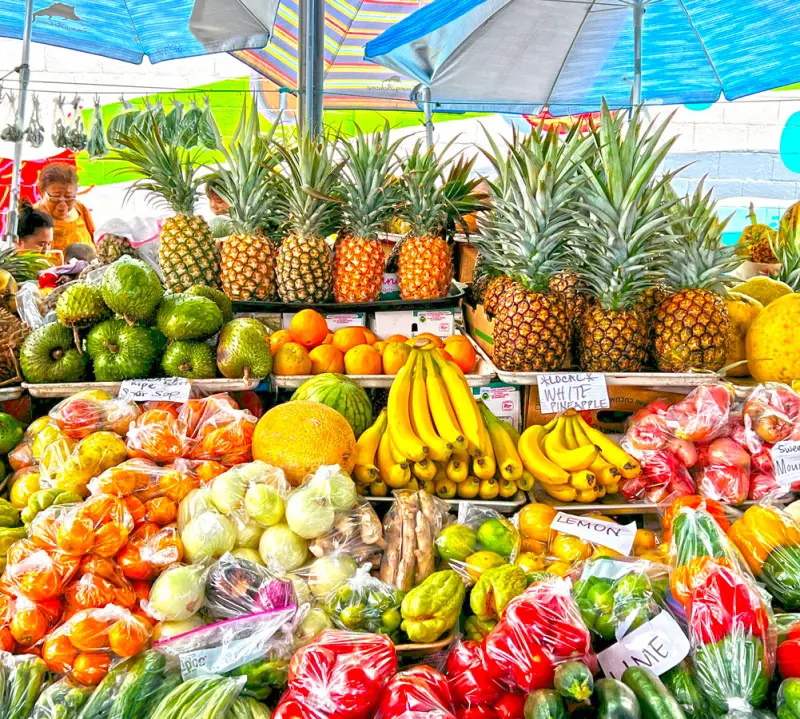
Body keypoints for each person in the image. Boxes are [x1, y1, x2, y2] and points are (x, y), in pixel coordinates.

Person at [35, 163, 95, 253]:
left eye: (69, 197)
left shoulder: (80, 208)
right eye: (56, 197)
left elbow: (93, 236)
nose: (63, 203)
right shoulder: (32, 216)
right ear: (42, 192)